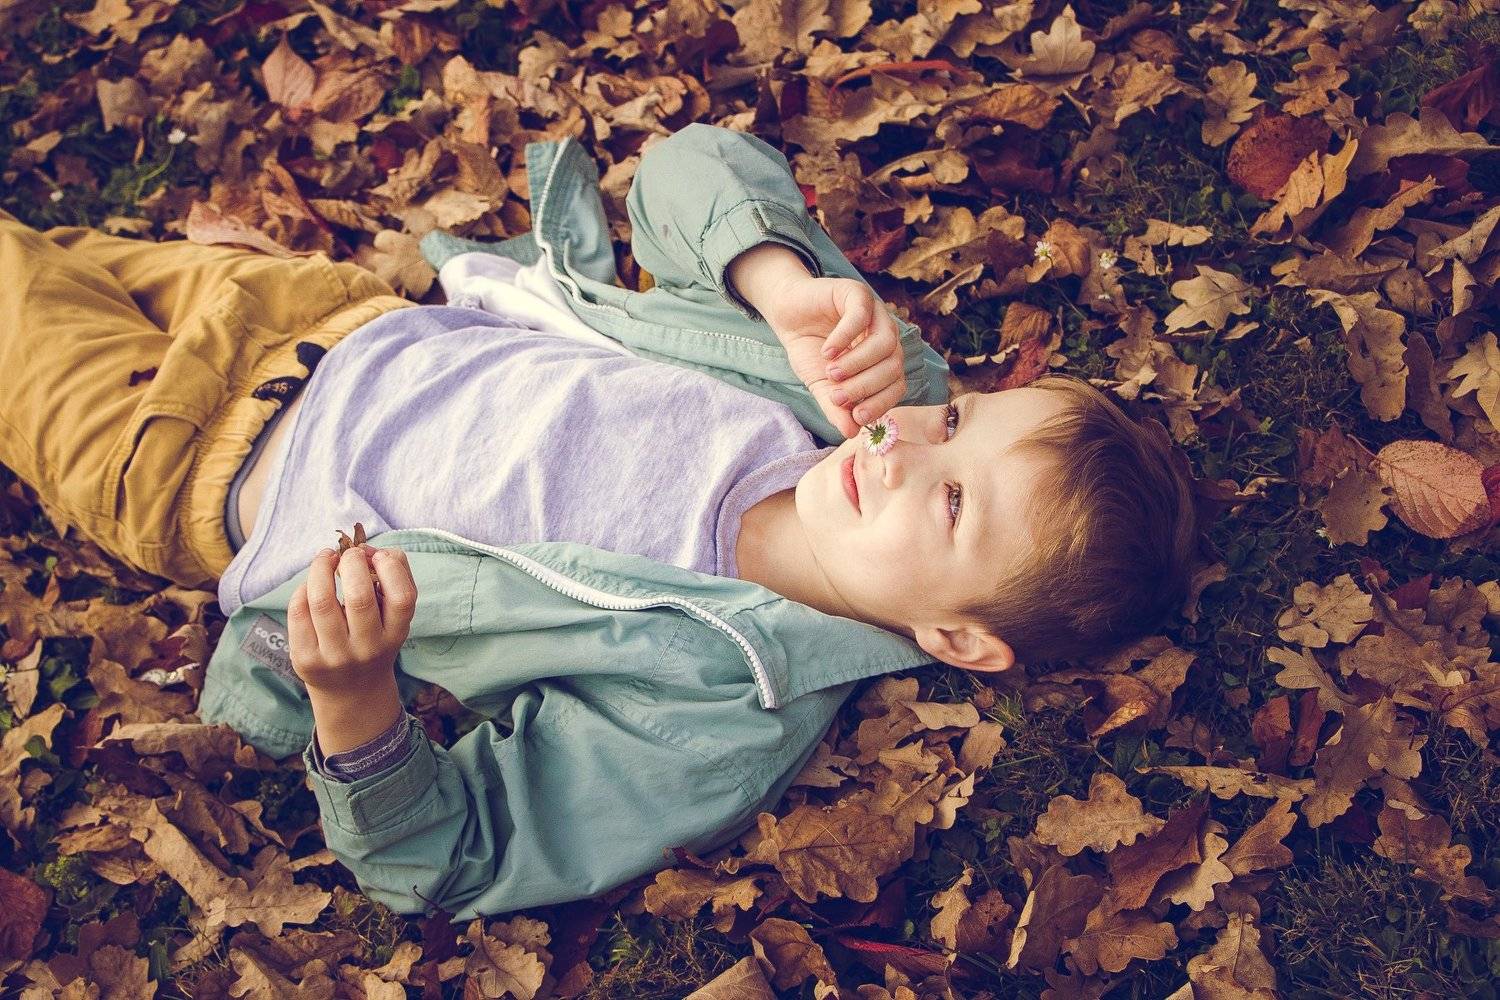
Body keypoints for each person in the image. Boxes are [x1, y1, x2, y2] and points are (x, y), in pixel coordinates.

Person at [0, 123, 1198, 918]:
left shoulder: (718, 714)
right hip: (326, 315)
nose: (903, 445)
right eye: (959, 417)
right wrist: (782, 286)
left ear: (959, 638)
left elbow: (456, 853)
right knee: (40, 257)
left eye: (950, 498)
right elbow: (689, 170)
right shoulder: (851, 388)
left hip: (185, 464)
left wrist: (354, 697)